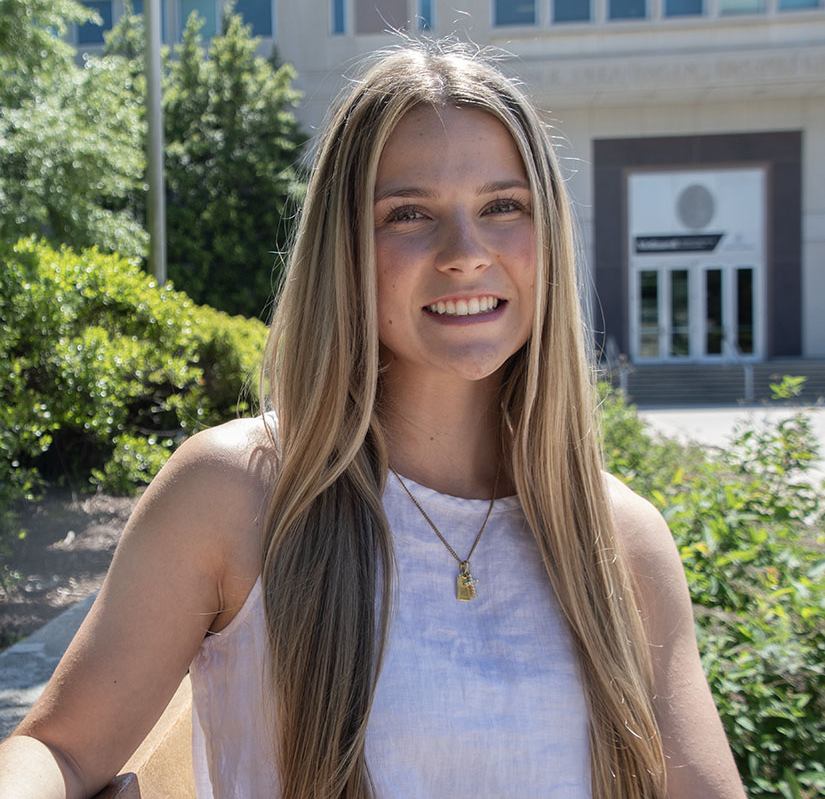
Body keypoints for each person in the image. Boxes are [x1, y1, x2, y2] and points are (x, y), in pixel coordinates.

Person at [0, 41, 746, 799]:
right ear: (344, 247)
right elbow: (58, 750)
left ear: (546, 233)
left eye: (501, 206)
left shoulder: (619, 535)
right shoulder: (237, 492)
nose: (465, 253)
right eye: (409, 214)